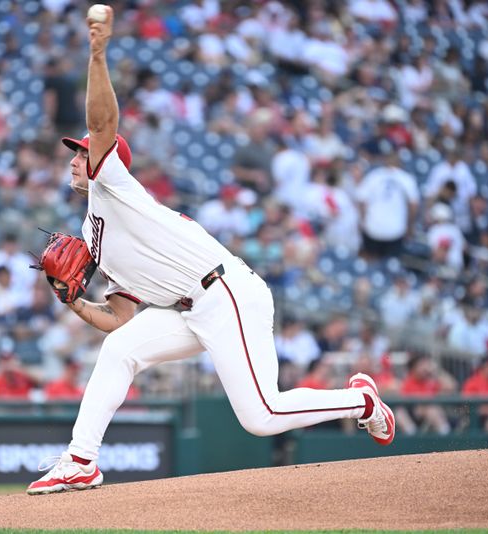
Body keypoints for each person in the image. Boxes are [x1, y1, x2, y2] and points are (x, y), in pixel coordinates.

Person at [27, 7, 395, 495]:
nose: (76, 158)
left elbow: (100, 122)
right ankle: (80, 460)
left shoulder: (109, 186)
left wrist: (97, 54)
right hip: (190, 306)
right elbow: (118, 319)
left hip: (226, 292)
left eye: (82, 152)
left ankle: (363, 404)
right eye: (74, 153)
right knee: (119, 350)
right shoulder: (96, 234)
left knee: (261, 416)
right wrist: (73, 301)